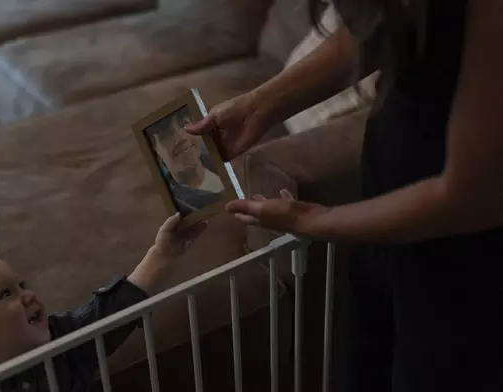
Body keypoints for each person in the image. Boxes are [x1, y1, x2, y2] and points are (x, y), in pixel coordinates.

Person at [186, 1, 503, 391]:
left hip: (460, 270)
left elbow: (469, 196)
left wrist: (314, 219)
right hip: (380, 226)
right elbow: (379, 28)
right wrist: (261, 104)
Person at [0, 214, 206, 392]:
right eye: (5, 294)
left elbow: (108, 316)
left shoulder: (62, 345)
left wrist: (160, 255)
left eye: (21, 285)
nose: (28, 294)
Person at [149, 109, 225, 214]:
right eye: (165, 134)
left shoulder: (222, 160)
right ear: (156, 152)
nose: (181, 138)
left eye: (184, 123)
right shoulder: (179, 206)